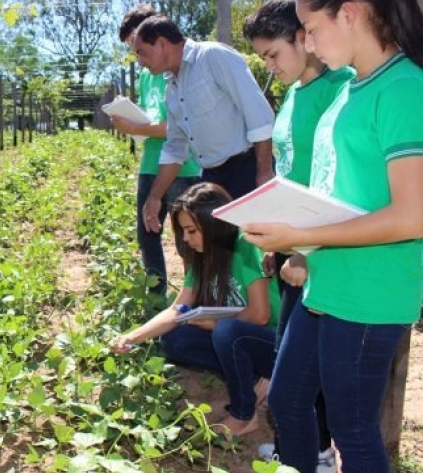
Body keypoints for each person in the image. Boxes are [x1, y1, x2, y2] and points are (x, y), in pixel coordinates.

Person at [243, 0, 423, 471]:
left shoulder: (404, 89)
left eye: (311, 28)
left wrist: (301, 232)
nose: (308, 41)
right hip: (326, 279)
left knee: (353, 432)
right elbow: (335, 191)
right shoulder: (351, 90)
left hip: (368, 291)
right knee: (288, 398)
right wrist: (303, 249)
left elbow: (413, 214)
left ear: (351, 12)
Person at [243, 0, 354, 469]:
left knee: (314, 370)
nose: (269, 67)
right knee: (295, 363)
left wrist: (309, 251)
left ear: (303, 38)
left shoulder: (342, 88)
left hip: (327, 249)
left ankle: (318, 453)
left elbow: (345, 182)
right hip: (295, 246)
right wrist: (281, 244)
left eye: (273, 54)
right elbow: (289, 173)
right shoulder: (292, 95)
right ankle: (307, 448)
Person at [110, 182, 280, 436]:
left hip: (273, 344)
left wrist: (213, 324)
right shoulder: (203, 257)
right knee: (174, 338)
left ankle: (244, 415)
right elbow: (177, 309)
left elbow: (260, 314)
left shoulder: (245, 248)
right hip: (237, 338)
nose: (186, 240)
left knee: (226, 332)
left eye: (191, 231)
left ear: (213, 226)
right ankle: (254, 380)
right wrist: (133, 336)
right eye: (183, 232)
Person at [132, 16, 276, 236]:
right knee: (216, 250)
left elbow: (258, 114)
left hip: (246, 169)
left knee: (256, 245)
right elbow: (174, 148)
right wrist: (154, 197)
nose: (140, 62)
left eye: (142, 52)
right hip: (211, 176)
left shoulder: (212, 57)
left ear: (162, 43)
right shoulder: (172, 88)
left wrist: (264, 173)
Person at [114, 4, 201, 299]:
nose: (137, 56)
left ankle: (196, 297)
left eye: (138, 47)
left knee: (187, 238)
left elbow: (175, 128)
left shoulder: (174, 69)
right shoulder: (147, 74)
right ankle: (156, 297)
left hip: (183, 166)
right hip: (151, 161)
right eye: (131, 49)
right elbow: (153, 116)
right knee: (147, 233)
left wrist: (136, 128)